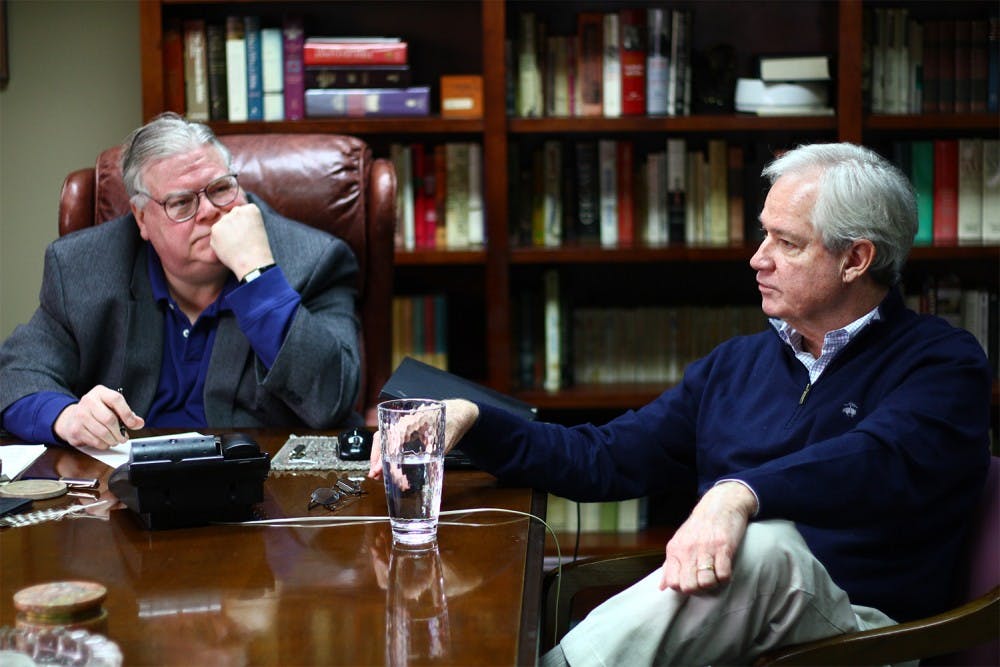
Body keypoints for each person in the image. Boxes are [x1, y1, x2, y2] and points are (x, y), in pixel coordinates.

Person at [370, 143, 993, 665]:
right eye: (763, 236)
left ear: (857, 258)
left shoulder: (944, 364)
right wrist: (476, 419)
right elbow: (607, 457)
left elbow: (875, 460)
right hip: (735, 632)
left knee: (765, 547)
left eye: (787, 243)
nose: (758, 259)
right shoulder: (736, 365)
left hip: (866, 638)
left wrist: (737, 494)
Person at [0, 112, 362, 450]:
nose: (208, 212)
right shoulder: (84, 267)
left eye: (221, 189)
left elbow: (332, 400)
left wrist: (257, 276)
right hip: (127, 493)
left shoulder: (313, 261)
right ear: (142, 219)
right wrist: (67, 417)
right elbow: (16, 375)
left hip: (260, 489)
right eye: (182, 203)